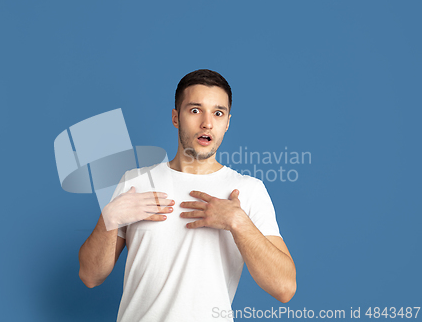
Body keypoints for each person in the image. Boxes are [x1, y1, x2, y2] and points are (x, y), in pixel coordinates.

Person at [78, 69, 296, 322]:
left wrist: (238, 222)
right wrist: (110, 217)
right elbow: (90, 276)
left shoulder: (248, 189)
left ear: (227, 123)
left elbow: (284, 288)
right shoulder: (135, 182)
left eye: (218, 113)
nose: (207, 122)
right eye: (195, 110)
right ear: (175, 117)